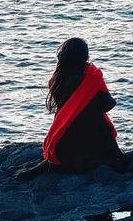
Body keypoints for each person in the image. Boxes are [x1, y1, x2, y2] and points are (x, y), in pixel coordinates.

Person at [16, 38, 124, 180]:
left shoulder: (57, 80)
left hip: (64, 145)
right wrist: (98, 84)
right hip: (91, 140)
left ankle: (47, 166)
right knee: (119, 162)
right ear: (85, 57)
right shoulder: (91, 77)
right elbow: (107, 105)